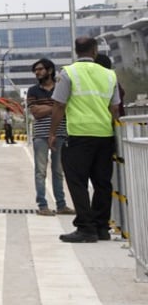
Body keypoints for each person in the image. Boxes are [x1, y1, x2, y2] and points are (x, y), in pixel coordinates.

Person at [50, 37, 121, 243]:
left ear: (75, 51)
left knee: (77, 181)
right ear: (95, 50)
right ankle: (101, 227)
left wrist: (52, 132)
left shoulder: (68, 73)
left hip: (79, 135)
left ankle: (85, 228)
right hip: (104, 135)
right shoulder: (110, 75)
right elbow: (115, 108)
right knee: (102, 183)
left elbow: (59, 105)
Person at [26, 58, 74, 216]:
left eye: (40, 69)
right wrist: (55, 106)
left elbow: (65, 107)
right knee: (40, 171)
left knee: (58, 171)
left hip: (60, 133)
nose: (37, 73)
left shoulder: (61, 87)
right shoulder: (33, 90)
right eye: (35, 70)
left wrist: (48, 107)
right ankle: (43, 205)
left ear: (50, 70)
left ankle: (61, 205)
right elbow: (36, 112)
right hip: (40, 135)